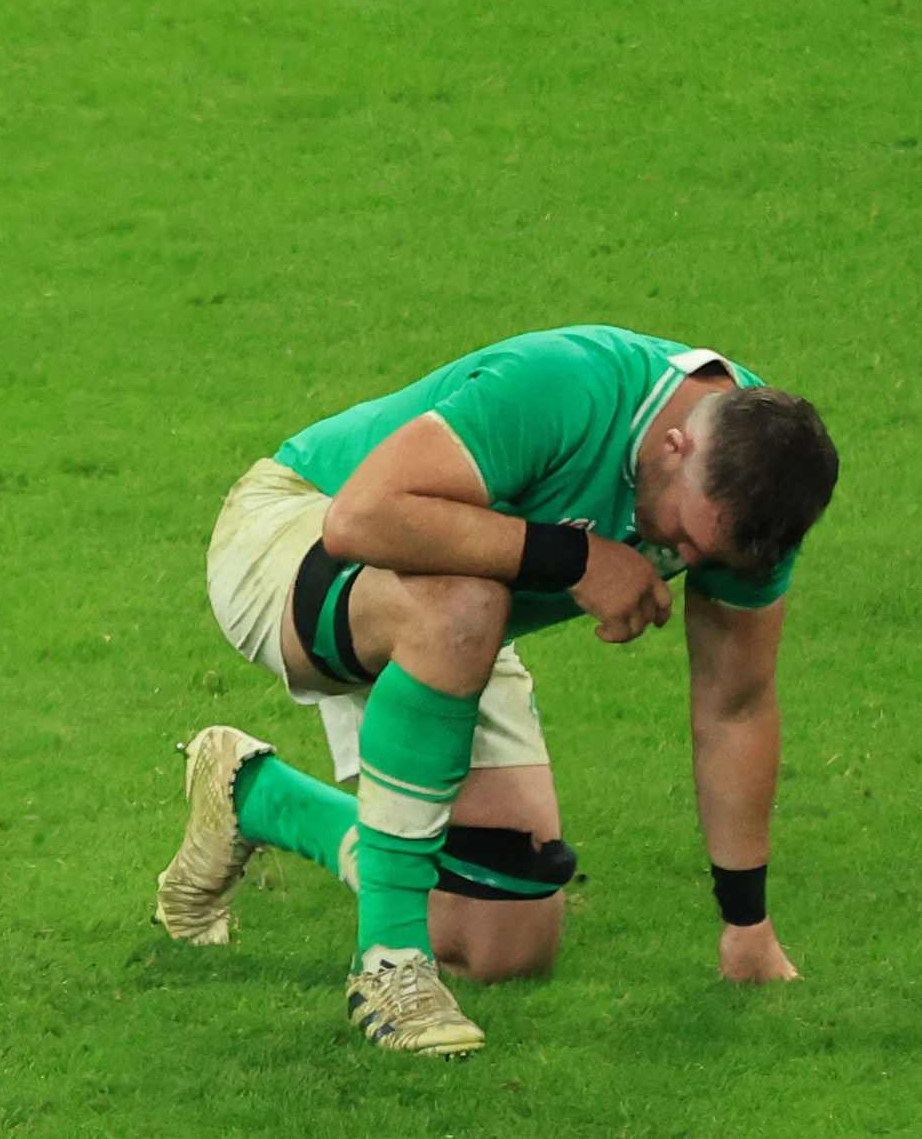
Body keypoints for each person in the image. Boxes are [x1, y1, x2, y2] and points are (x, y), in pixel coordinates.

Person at [151, 328, 835, 1055]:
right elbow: (361, 518)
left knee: (504, 944)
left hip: (454, 606)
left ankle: (249, 796)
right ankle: (387, 965)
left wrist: (746, 926)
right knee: (463, 606)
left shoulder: (759, 487)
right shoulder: (565, 387)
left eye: (705, 557)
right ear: (674, 446)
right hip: (293, 528)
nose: (684, 561)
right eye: (682, 537)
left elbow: (735, 706)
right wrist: (574, 557)